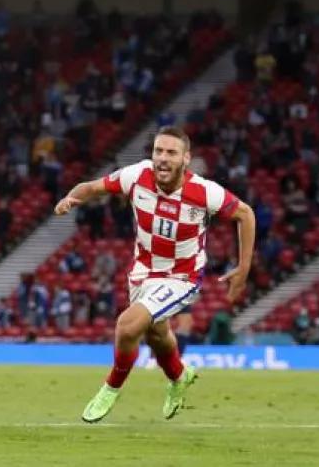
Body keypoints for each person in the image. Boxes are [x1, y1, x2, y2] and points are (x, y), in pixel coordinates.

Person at [54, 126, 255, 423]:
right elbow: (93, 187)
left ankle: (111, 387)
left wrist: (244, 267)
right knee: (157, 335)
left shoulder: (204, 192)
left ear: (186, 159)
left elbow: (245, 214)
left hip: (181, 276)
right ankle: (179, 375)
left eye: (171, 153)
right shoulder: (137, 175)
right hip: (143, 272)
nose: (162, 158)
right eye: (158, 151)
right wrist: (71, 198)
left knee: (127, 325)